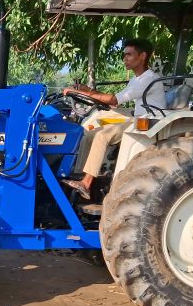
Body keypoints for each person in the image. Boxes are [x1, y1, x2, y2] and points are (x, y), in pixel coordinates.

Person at [61, 38, 166, 199]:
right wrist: (85, 89)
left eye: (129, 55)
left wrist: (86, 93)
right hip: (137, 115)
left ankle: (87, 183)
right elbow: (114, 99)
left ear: (143, 56)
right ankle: (79, 174)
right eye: (124, 55)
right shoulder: (136, 79)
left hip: (148, 121)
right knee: (90, 129)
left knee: (103, 135)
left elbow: (114, 100)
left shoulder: (148, 79)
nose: (125, 59)